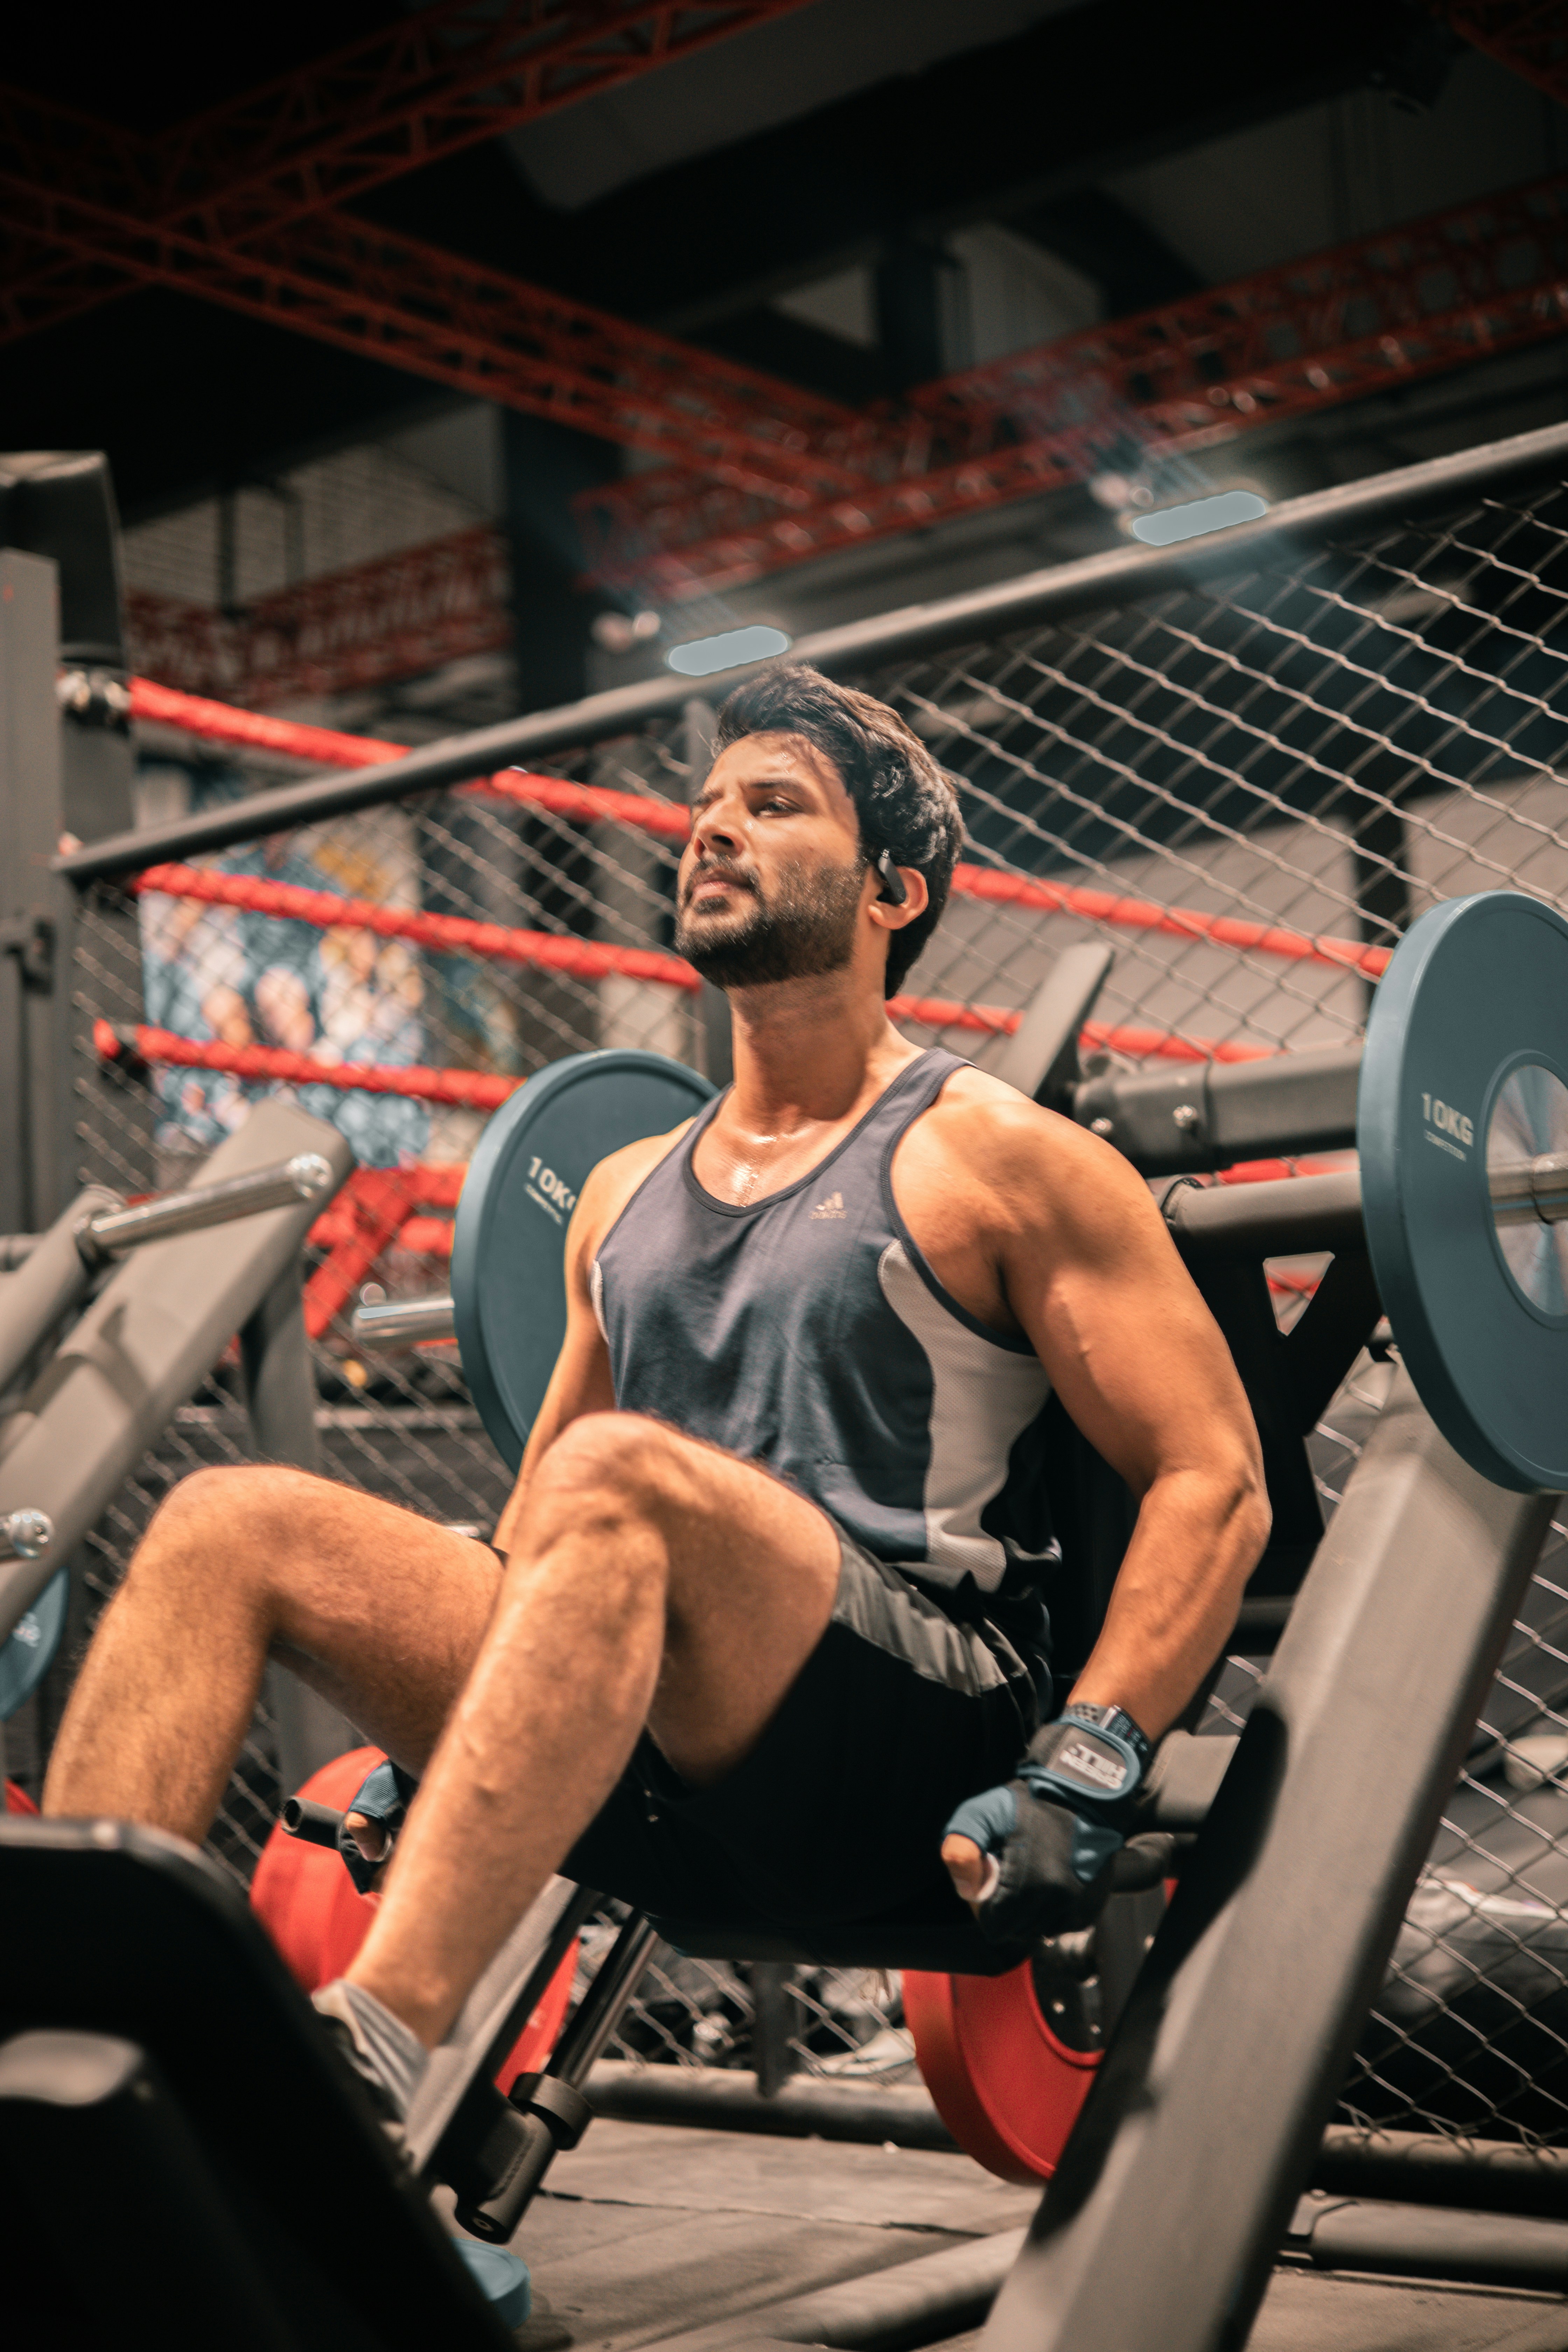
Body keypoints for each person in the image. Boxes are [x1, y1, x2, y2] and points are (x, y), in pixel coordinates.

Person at [43, 666, 1269, 2130]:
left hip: (911, 1757)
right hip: (662, 1772)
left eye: (771, 806)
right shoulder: (620, 1194)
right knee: (224, 1520)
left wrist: (1091, 1755)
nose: (710, 832)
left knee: (617, 1478)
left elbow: (1216, 1478)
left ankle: (361, 2064)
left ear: (893, 890)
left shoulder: (997, 1155)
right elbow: (534, 1533)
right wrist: (462, 1725)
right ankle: (60, 2047)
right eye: (700, 811)